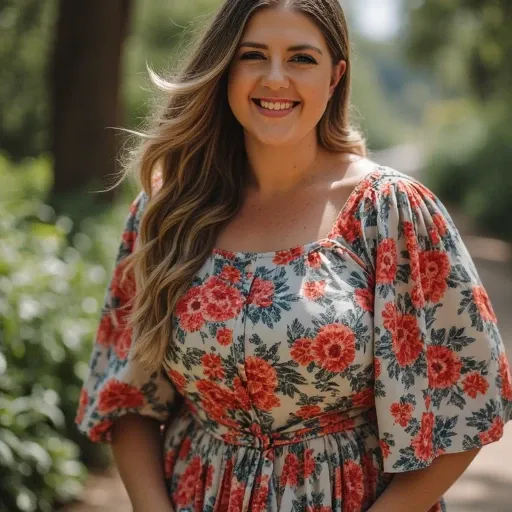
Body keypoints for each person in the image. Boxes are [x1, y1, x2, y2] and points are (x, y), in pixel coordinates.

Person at [75, 1, 512, 510]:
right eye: (253, 55)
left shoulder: (389, 211)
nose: (275, 77)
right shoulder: (168, 211)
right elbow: (129, 399)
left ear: (335, 76)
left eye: (301, 58)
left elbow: (466, 405)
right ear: (224, 69)